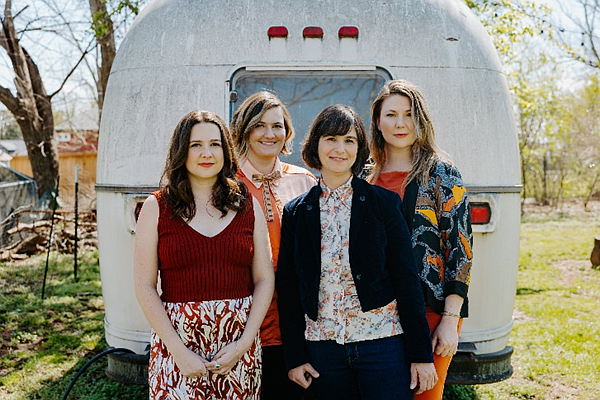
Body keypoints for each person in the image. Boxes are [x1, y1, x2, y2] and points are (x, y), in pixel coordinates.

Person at [276, 104, 437, 400]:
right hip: (323, 350)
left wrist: (421, 354)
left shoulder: (383, 204)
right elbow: (287, 288)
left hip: (383, 345)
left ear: (359, 148)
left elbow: (406, 279)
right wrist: (295, 357)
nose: (340, 148)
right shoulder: (296, 212)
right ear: (316, 144)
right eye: (331, 139)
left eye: (349, 140)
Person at [134, 110, 275, 399]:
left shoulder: (248, 205)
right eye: (195, 145)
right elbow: (144, 286)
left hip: (237, 348)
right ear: (180, 152)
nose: (206, 153)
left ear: (226, 150)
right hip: (178, 349)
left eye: (215, 144)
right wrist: (179, 353)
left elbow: (264, 278)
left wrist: (244, 343)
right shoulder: (156, 207)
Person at [369, 80, 473, 400]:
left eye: (409, 114)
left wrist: (450, 318)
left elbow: (462, 249)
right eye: (391, 114)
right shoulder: (364, 176)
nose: (400, 123)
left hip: (432, 309)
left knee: (425, 395)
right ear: (377, 121)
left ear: (421, 120)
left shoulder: (441, 172)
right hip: (376, 316)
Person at [230, 92, 317, 400]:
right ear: (243, 130)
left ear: (287, 132)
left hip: (298, 325)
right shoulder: (226, 184)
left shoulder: (304, 182)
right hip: (246, 324)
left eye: (277, 126)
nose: (270, 134)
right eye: (259, 125)